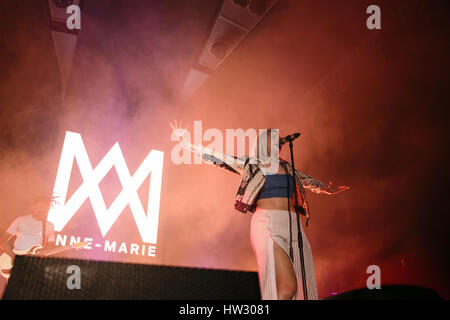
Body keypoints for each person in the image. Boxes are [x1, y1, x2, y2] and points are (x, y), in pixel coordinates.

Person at [170, 121, 349, 300]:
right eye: (273, 139)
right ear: (263, 144)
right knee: (287, 287)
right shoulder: (251, 165)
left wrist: (327, 188)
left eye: (278, 140)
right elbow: (217, 156)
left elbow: (310, 182)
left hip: (294, 227)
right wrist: (186, 143)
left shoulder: (288, 168)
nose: (278, 142)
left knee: (304, 286)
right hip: (267, 223)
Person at [0, 196, 56, 297]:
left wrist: (43, 253)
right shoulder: (21, 220)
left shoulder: (49, 226)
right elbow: (3, 241)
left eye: (45, 207)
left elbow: (50, 248)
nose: (42, 209)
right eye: (41, 206)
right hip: (15, 256)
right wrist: (13, 256)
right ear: (34, 207)